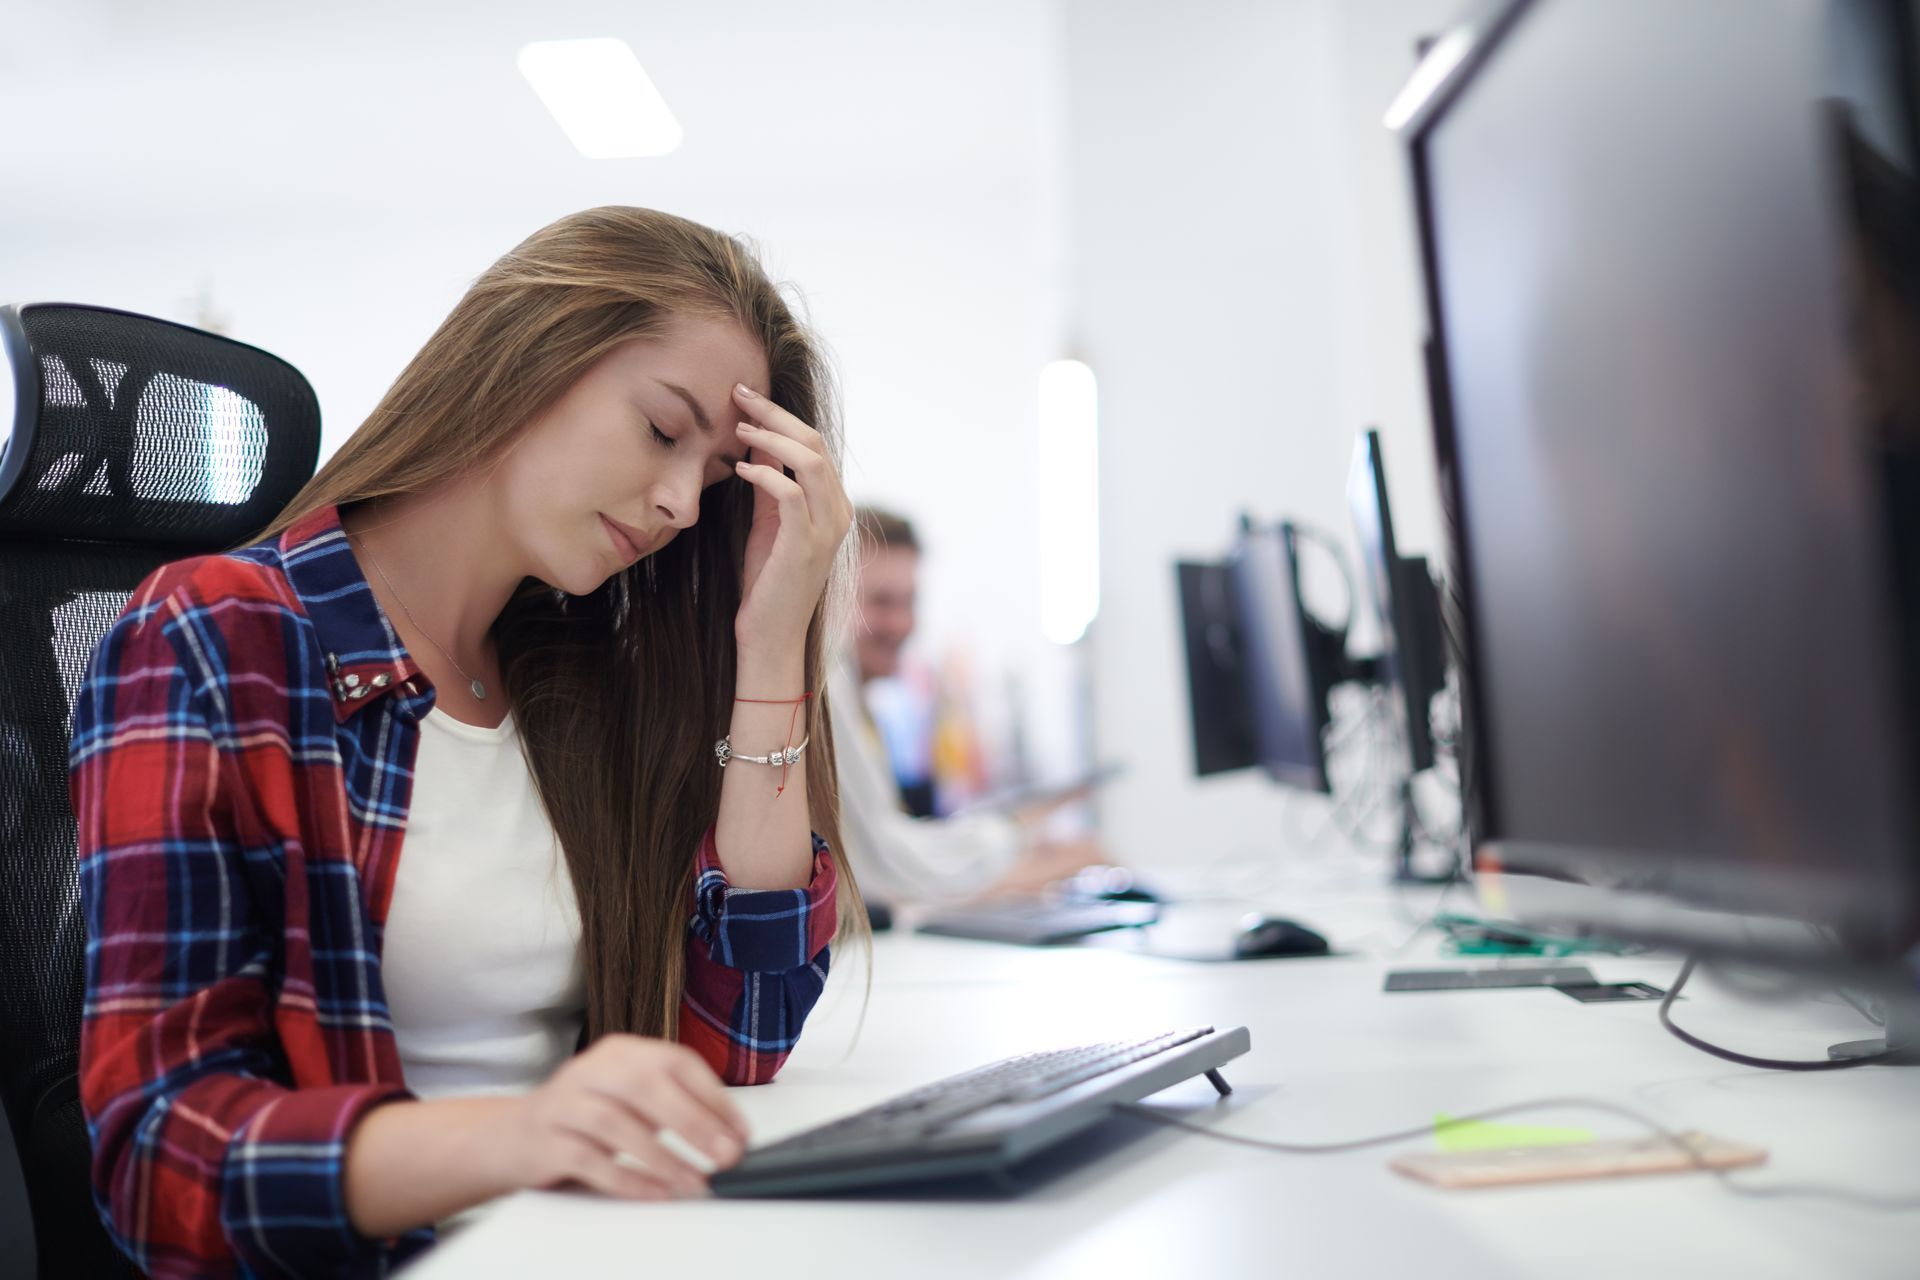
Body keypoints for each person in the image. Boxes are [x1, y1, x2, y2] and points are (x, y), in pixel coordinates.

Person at [68, 207, 865, 1277]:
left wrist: (769, 653)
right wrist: (519, 1137)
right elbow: (163, 1158)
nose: (681, 501)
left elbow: (738, 1043)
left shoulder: (573, 679)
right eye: (663, 429)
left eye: (715, 477)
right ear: (531, 354)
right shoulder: (218, 636)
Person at [829, 506, 1105, 905]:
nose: (901, 623)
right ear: (829, 596)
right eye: (881, 602)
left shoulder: (866, 703)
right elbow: (885, 865)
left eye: (909, 603)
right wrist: (1012, 841)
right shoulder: (830, 685)